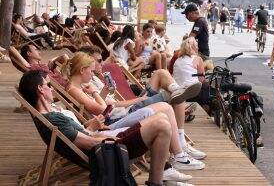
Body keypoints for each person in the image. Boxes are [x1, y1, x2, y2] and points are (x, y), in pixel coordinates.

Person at [18, 70, 171, 186]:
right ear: (40, 89)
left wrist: (94, 128)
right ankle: (157, 180)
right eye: (48, 85)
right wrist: (118, 137)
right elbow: (90, 142)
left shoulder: (48, 114)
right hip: (109, 148)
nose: (51, 89)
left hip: (102, 138)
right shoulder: (53, 119)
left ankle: (161, 174)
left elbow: (83, 135)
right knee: (162, 124)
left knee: (162, 117)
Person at [61, 52, 206, 171]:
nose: (93, 75)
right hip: (112, 122)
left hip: (118, 115)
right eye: (91, 71)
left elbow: (103, 107)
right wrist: (95, 93)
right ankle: (179, 152)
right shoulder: (76, 90)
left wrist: (102, 92)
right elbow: (103, 110)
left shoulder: (80, 87)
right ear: (82, 70)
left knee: (166, 83)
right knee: (170, 102)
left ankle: (179, 151)